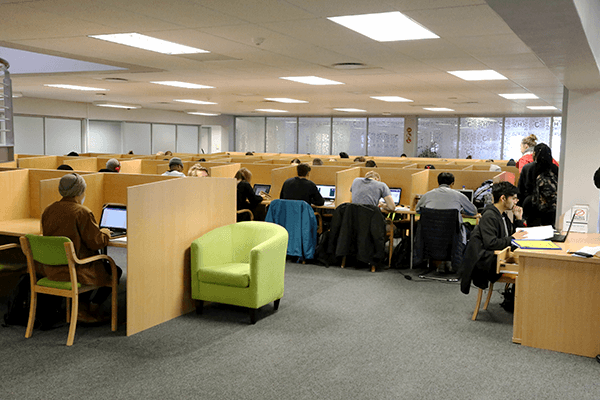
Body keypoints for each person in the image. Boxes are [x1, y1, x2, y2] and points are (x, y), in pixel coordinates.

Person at [40, 173, 122, 323]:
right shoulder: (82, 212)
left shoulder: (48, 210)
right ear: (80, 191)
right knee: (115, 270)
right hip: (76, 269)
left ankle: (80, 308)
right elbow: (96, 243)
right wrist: (104, 232)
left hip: (52, 269)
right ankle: (89, 309)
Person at [460, 181, 527, 294]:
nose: (516, 201)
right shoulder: (490, 216)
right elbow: (491, 243)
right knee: (527, 270)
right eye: (514, 198)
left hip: (500, 256)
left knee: (528, 266)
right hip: (489, 263)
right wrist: (513, 239)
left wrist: (518, 219)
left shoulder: (502, 214)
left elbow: (514, 234)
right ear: (503, 198)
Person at [416, 172, 477, 245]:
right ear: (452, 183)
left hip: (430, 235)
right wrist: (461, 211)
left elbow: (418, 210)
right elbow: (473, 211)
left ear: (438, 182)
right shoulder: (458, 195)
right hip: (453, 236)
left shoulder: (427, 195)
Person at [517, 143, 558, 227]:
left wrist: (519, 206)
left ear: (534, 154)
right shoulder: (556, 169)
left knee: (532, 231)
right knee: (549, 231)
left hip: (532, 206)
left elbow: (520, 190)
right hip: (551, 207)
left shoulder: (527, 168)